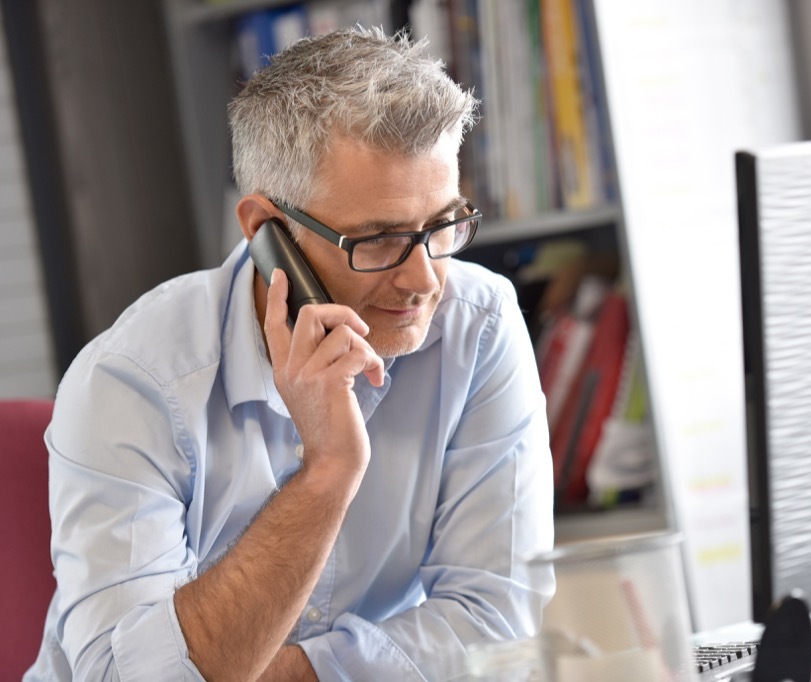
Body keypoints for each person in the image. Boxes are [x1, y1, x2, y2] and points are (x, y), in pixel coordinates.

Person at [26, 26, 554, 681]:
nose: (424, 280)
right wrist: (327, 473)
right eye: (381, 240)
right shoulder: (133, 382)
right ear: (264, 231)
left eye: (443, 226)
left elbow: (500, 623)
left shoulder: (477, 324)